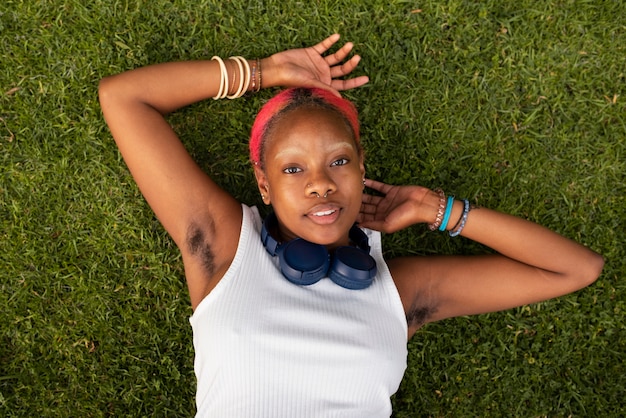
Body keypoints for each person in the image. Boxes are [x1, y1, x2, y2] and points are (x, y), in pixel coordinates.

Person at [98, 34, 604, 417]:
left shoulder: (399, 292)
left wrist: (437, 209)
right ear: (265, 185)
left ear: (362, 167)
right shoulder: (227, 247)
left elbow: (575, 269)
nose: (320, 184)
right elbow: (124, 98)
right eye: (293, 169)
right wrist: (263, 71)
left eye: (338, 162)